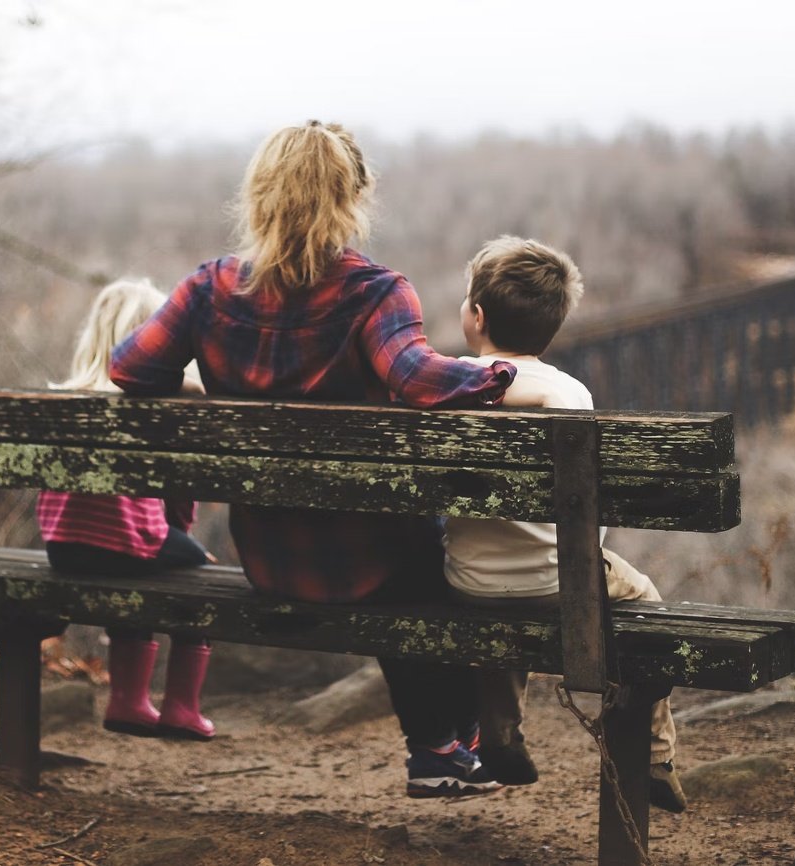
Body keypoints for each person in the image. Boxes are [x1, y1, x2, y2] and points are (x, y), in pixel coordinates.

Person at [111, 121, 517, 798]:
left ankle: (446, 747)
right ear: (353, 197)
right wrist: (501, 374)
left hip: (271, 559)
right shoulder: (375, 293)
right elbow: (417, 378)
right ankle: (444, 745)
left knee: (408, 547)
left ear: (259, 195)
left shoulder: (208, 289)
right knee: (435, 552)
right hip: (374, 564)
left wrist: (194, 385)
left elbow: (129, 369)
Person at [442, 235, 688, 812]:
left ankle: (499, 734)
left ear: (476, 317)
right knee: (644, 598)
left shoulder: (447, 384)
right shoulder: (569, 393)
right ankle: (655, 754)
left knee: (501, 597)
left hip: (468, 582)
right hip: (561, 581)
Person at [38, 278, 217, 741]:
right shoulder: (152, 404)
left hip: (63, 548)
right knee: (197, 572)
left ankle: (129, 700)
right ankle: (180, 707)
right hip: (126, 544)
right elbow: (178, 494)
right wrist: (186, 542)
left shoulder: (64, 399)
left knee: (136, 560)